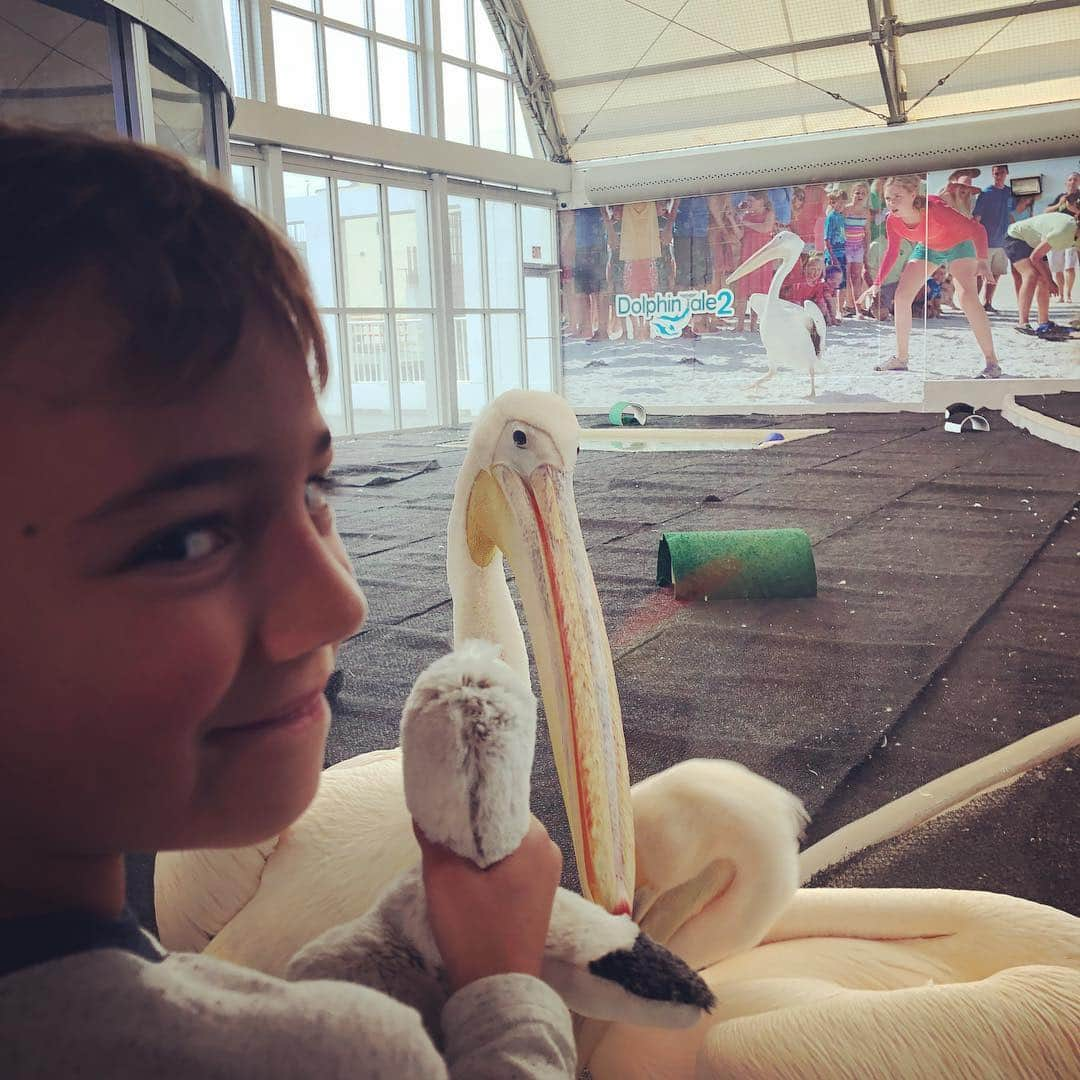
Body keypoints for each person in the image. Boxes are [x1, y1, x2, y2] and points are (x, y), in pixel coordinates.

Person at [0, 125, 574, 1079]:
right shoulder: (342, 1057)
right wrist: (503, 992)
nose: (341, 605)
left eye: (320, 491)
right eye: (185, 538)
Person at [861, 174, 1003, 379]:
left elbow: (977, 229)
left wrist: (982, 260)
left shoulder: (935, 210)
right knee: (901, 297)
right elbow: (892, 251)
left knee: (967, 297)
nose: (891, 203)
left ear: (913, 194)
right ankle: (901, 359)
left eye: (897, 197)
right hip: (928, 247)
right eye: (888, 198)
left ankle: (992, 363)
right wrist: (876, 283)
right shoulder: (892, 220)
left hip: (959, 245)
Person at [1005, 196, 1080, 336]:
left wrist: (1049, 280)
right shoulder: (1064, 232)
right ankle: (1023, 323)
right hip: (1016, 236)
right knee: (1031, 275)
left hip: (1036, 242)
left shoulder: (1076, 233)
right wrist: (1051, 281)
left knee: (1044, 280)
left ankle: (1043, 322)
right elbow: (1035, 257)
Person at [972, 165, 1016, 314]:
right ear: (992, 174)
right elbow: (977, 218)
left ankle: (988, 303)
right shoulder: (986, 193)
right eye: (996, 173)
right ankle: (973, 303)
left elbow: (1012, 213)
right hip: (986, 241)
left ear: (1007, 173)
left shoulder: (1010, 192)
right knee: (979, 274)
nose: (999, 176)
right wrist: (974, 239)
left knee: (995, 274)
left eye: (1001, 173)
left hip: (1003, 242)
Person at [670, 195, 714, 337]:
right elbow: (675, 201)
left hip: (701, 231)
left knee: (700, 279)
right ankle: (681, 323)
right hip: (682, 231)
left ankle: (699, 322)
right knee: (682, 280)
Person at [733, 191, 775, 333]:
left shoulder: (768, 213)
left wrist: (745, 222)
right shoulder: (747, 215)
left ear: (761, 201)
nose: (749, 204)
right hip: (747, 252)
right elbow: (740, 235)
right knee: (743, 288)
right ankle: (739, 324)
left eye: (751, 201)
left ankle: (753, 324)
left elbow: (766, 228)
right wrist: (734, 221)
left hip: (762, 254)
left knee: (759, 290)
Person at [572, 204, 611, 342]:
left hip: (597, 245)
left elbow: (605, 211)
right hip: (580, 246)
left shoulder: (596, 200)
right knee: (582, 292)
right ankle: (586, 328)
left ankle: (602, 330)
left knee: (599, 290)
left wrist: (611, 233)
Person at [1045, 173, 1080, 302]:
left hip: (1074, 237)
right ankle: (1061, 295)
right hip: (1057, 236)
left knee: (1069, 267)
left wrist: (1075, 211)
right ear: (1066, 183)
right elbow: (1046, 211)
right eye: (1070, 180)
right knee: (1058, 268)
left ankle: (1069, 294)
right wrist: (1058, 204)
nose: (1072, 182)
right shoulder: (1061, 197)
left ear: (1079, 182)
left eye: (1075, 180)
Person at [843, 182, 872, 317]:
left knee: (856, 277)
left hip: (858, 248)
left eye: (863, 193)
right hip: (845, 247)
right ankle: (845, 305)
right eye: (857, 193)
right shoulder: (846, 209)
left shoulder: (866, 212)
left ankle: (857, 308)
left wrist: (866, 249)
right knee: (845, 276)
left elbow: (867, 232)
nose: (860, 195)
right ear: (852, 194)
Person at [823, 189, 847, 306]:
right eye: (840, 203)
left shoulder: (841, 217)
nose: (842, 206)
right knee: (831, 282)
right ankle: (829, 307)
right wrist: (832, 256)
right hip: (833, 254)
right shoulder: (830, 217)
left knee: (841, 282)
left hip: (842, 253)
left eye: (844, 203)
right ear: (832, 203)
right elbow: (826, 239)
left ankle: (839, 309)